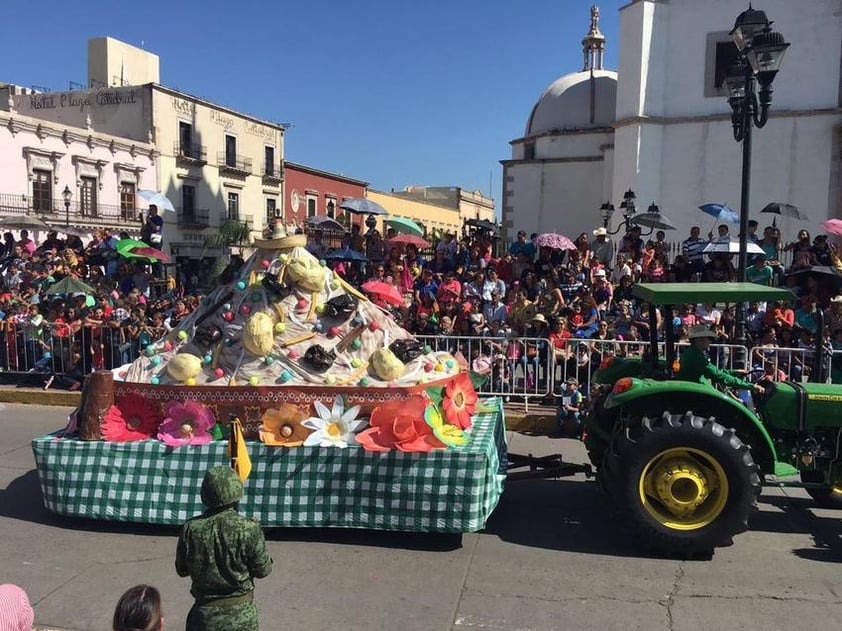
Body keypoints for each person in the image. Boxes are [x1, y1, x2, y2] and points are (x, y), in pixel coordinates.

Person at [176, 466, 273, 631]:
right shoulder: (248, 528)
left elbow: (182, 570)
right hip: (242, 618)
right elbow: (263, 570)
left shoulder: (191, 529)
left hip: (204, 618)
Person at [675, 325, 764, 394]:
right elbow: (719, 375)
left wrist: (734, 372)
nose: (710, 342)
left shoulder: (694, 353)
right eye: (708, 339)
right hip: (696, 391)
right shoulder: (696, 356)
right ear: (699, 340)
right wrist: (751, 386)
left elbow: (715, 372)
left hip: (696, 388)